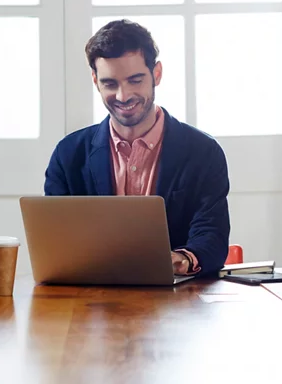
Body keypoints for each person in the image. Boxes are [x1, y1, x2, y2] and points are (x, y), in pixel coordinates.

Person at [44, 19, 230, 276]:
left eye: (135, 80)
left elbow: (212, 235)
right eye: (110, 84)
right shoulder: (68, 154)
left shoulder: (203, 152)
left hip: (177, 300)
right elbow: (56, 240)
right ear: (95, 80)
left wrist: (184, 258)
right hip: (91, 300)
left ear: (157, 74)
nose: (123, 96)